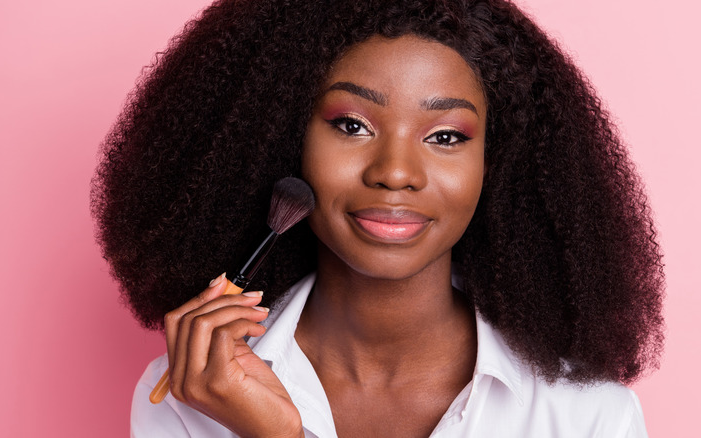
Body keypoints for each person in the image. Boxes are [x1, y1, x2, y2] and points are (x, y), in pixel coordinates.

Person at [91, 0, 665, 436]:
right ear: (279, 140)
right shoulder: (189, 398)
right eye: (351, 126)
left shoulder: (585, 416)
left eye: (445, 136)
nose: (395, 172)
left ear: (498, 165)